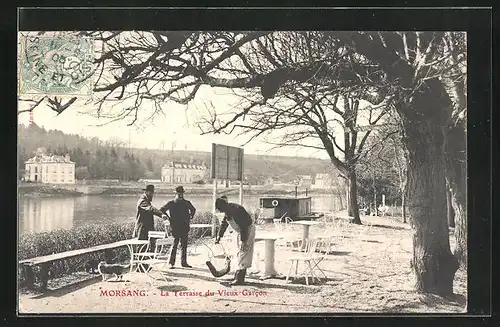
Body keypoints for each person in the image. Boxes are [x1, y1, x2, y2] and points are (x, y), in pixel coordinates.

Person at [214, 197, 256, 286]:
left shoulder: (236, 210)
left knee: (244, 252)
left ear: (223, 206)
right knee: (238, 252)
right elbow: (224, 224)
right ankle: (237, 276)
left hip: (247, 229)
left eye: (220, 210)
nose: (221, 212)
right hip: (240, 231)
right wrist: (219, 236)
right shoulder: (227, 210)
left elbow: (244, 226)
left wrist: (244, 241)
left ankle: (240, 279)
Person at [133, 185, 168, 272]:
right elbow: (151, 209)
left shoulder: (146, 201)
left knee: (149, 246)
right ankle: (139, 267)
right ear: (146, 192)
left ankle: (145, 265)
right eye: (151, 193)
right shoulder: (142, 202)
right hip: (142, 229)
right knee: (141, 247)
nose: (152, 194)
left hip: (148, 229)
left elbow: (151, 209)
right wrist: (161, 214)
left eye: (153, 192)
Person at [160, 186, 196, 269]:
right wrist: (168, 218)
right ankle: (171, 263)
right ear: (176, 194)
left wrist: (191, 216)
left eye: (182, 194)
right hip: (175, 227)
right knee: (174, 245)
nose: (180, 195)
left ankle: (184, 262)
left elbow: (193, 209)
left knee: (184, 245)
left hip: (184, 226)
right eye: (179, 194)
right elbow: (161, 210)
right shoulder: (171, 203)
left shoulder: (187, 202)